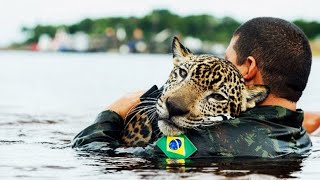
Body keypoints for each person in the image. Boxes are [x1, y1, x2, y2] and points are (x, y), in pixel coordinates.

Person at [73, 17, 315, 158]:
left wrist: (113, 112)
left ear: (248, 68)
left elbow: (95, 156)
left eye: (226, 60)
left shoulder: (205, 143)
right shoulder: (298, 137)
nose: (219, 65)